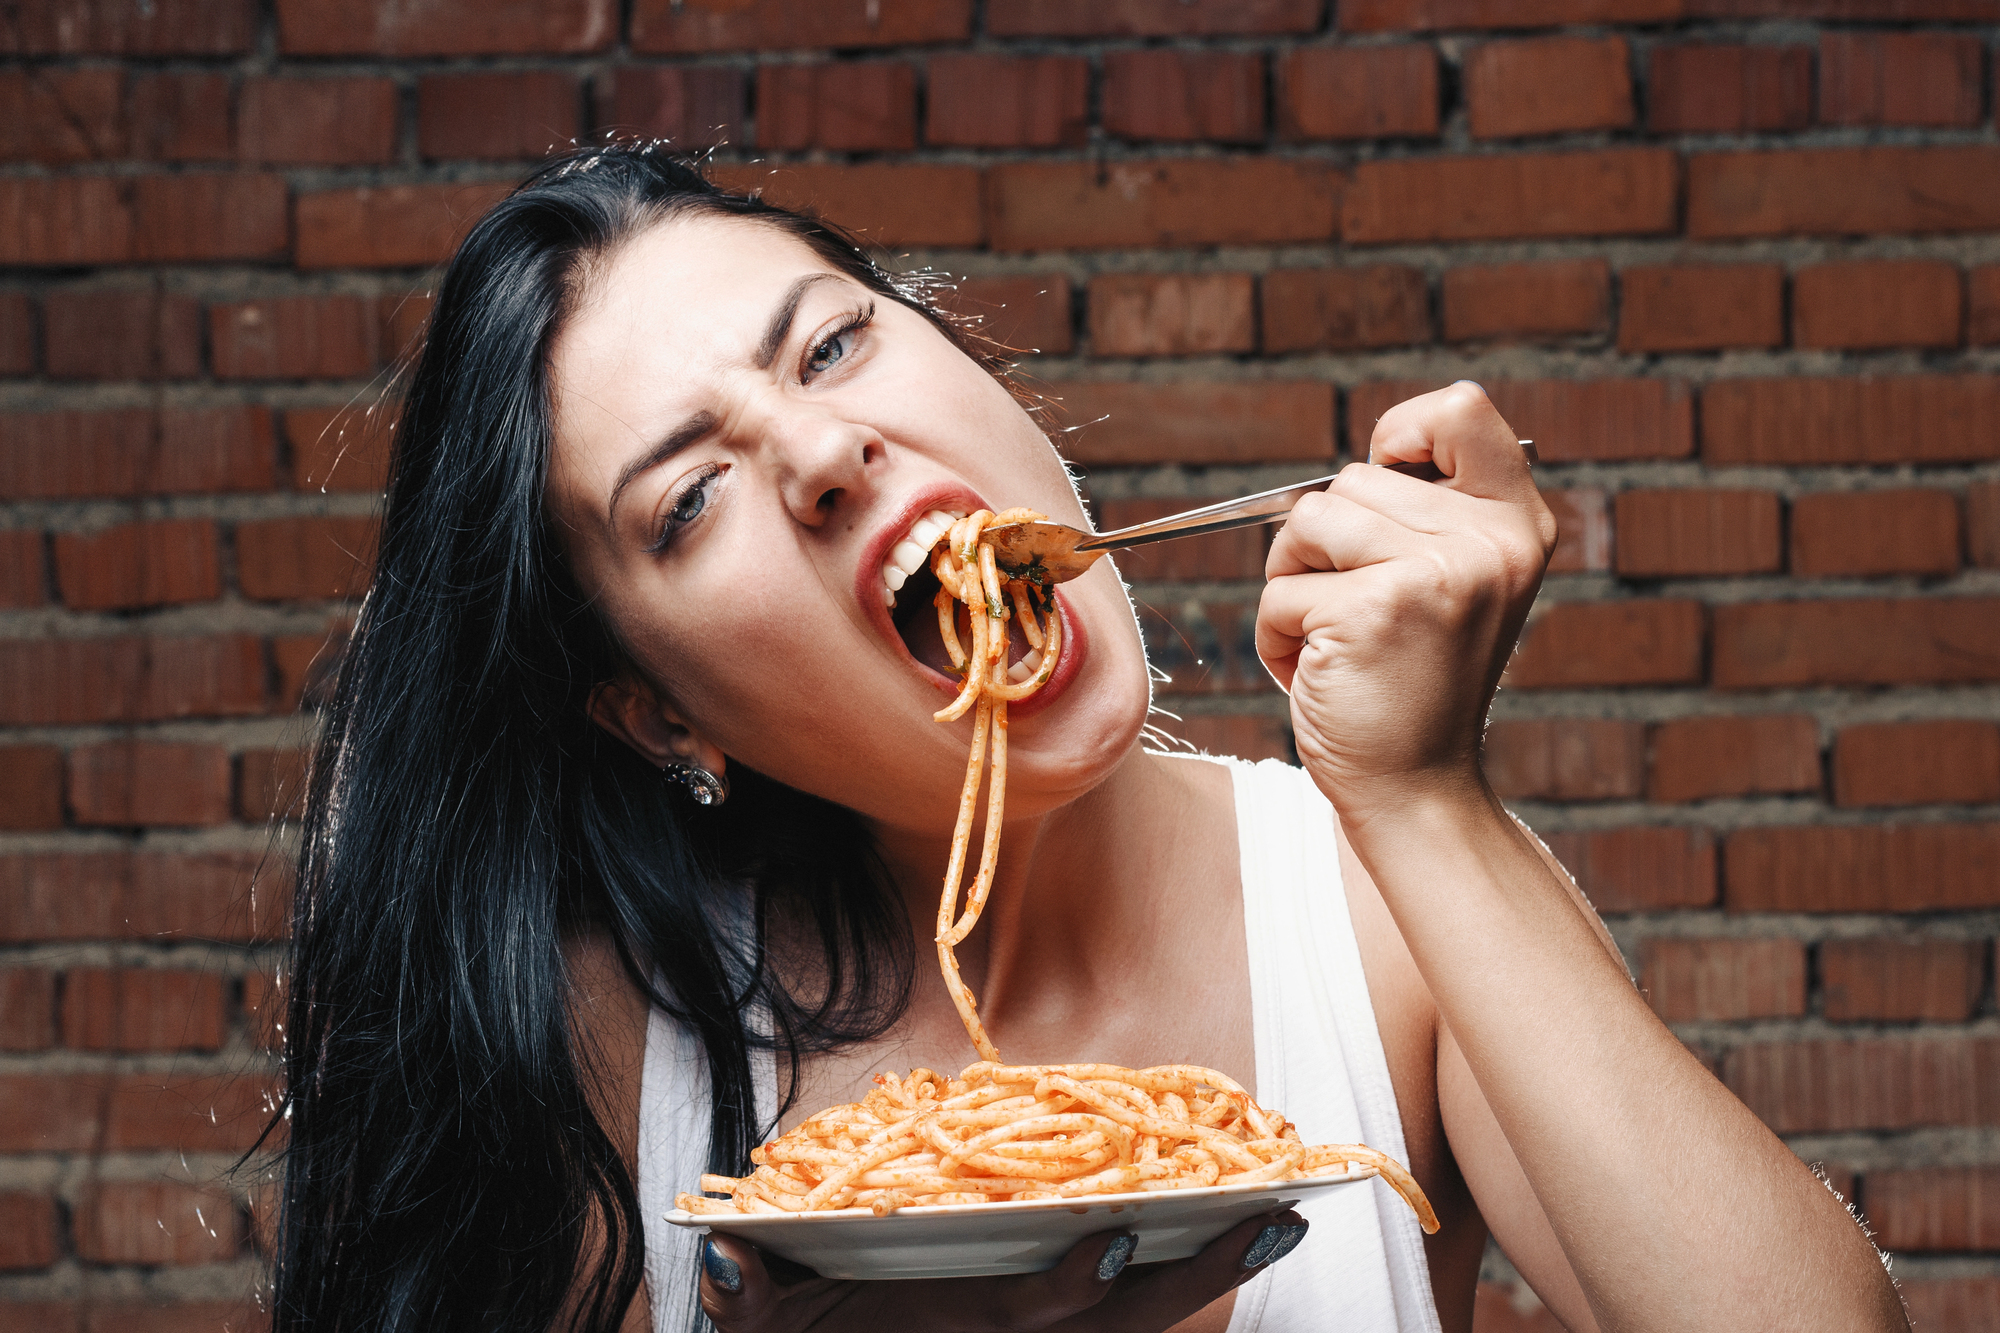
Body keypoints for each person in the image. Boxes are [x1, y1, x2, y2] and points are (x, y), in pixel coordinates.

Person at [267, 142, 1907, 1333]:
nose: (829, 446)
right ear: (656, 706)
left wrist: (1422, 797)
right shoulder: (615, 1041)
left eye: (833, 342)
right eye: (691, 498)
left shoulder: (1382, 911)